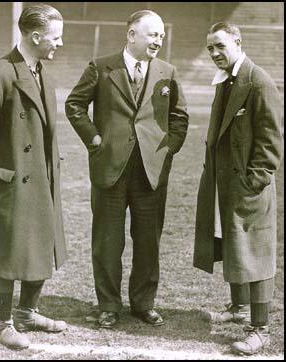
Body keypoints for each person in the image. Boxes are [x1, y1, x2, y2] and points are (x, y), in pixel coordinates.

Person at [65, 10, 189, 329]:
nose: (158, 41)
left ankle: (143, 303)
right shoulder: (101, 66)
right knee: (108, 241)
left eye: (161, 35)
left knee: (149, 240)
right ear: (132, 35)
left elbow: (180, 117)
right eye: (152, 35)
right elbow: (75, 105)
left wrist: (168, 149)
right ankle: (108, 304)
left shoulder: (168, 72)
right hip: (110, 168)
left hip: (151, 171)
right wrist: (94, 139)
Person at [193, 22, 283, 355]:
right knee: (230, 242)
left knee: (256, 252)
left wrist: (251, 183)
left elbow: (271, 144)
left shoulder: (258, 82)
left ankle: (260, 330)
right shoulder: (225, 81)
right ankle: (238, 308)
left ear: (237, 42)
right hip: (224, 184)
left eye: (220, 46)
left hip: (249, 189)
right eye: (210, 48)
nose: (215, 53)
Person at [0, 4, 67, 350]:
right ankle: (1, 323)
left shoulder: (40, 70)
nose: (61, 43)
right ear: (36, 37)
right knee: (7, 252)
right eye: (56, 37)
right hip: (11, 181)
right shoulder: (1, 73)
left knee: (40, 242)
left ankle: (27, 312)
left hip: (41, 174)